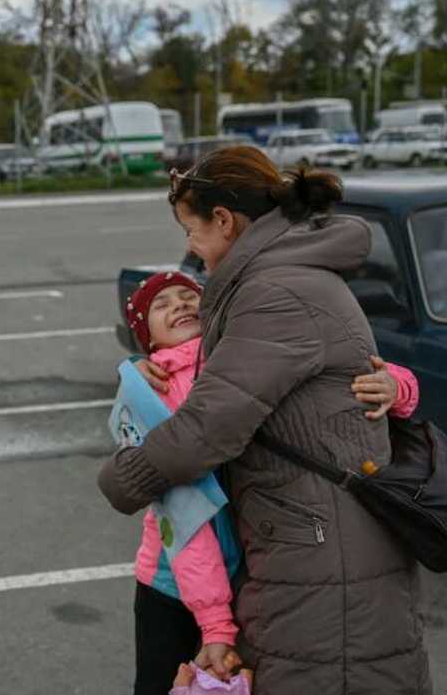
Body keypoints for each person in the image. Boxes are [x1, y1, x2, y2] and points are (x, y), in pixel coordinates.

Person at [98, 146, 432, 694]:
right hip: (315, 542)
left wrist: (122, 477)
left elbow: (209, 425)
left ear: (224, 221)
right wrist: (146, 370)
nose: (191, 247)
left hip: (323, 558)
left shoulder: (276, 293)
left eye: (191, 231)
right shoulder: (281, 279)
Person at [121, 270, 419, 694]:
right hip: (172, 581)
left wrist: (398, 387)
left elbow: (363, 372)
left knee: (232, 683)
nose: (180, 306)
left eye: (187, 297)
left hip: (251, 565)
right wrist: (215, 623)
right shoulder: (155, 392)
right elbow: (187, 523)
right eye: (161, 304)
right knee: (163, 682)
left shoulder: (238, 357)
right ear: (145, 337)